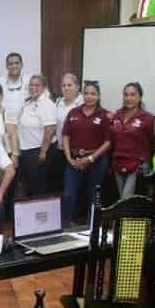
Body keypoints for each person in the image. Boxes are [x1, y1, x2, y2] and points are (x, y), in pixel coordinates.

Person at [61, 81, 111, 226]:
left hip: (96, 161)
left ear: (98, 96)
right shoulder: (73, 112)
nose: (89, 97)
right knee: (69, 195)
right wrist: (69, 158)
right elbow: (65, 136)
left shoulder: (104, 115)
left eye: (93, 94)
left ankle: (91, 228)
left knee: (93, 197)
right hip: (74, 160)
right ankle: (66, 226)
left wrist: (90, 159)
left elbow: (108, 142)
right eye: (86, 93)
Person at [111, 82, 155, 198]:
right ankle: (125, 217)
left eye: (132, 95)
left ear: (140, 97)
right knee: (122, 199)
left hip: (137, 165)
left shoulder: (148, 118)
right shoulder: (116, 115)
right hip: (118, 163)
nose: (128, 98)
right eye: (126, 95)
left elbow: (153, 143)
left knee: (126, 199)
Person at [17, 74, 56, 197]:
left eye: (37, 85)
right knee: (29, 185)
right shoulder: (28, 102)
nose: (33, 88)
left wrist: (43, 151)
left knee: (38, 186)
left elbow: (50, 128)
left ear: (44, 87)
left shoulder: (47, 104)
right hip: (26, 150)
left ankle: (38, 214)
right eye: (31, 85)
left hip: (38, 151)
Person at [54, 74, 84, 190]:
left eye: (69, 85)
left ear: (77, 87)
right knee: (59, 183)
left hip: (75, 151)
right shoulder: (58, 102)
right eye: (64, 85)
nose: (66, 88)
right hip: (59, 149)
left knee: (73, 186)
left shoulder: (82, 103)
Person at [0, 52, 33, 118]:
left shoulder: (31, 80)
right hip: (4, 122)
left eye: (17, 63)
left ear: (22, 65)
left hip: (26, 123)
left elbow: (44, 97)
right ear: (6, 66)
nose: (14, 66)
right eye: (10, 64)